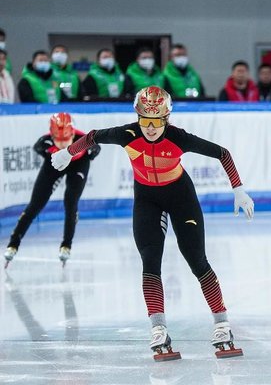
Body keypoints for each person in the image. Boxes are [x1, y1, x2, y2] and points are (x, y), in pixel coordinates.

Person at [51, 86, 254, 360]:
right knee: (150, 261)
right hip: (147, 199)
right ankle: (158, 328)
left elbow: (223, 153)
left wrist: (238, 189)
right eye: (145, 121)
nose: (150, 128)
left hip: (181, 197)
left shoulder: (178, 137)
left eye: (156, 122)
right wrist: (68, 153)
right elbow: (91, 137)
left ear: (166, 119)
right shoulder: (127, 134)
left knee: (196, 260)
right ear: (138, 118)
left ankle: (222, 324)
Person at [4, 113, 101, 268]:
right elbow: (39, 149)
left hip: (78, 164)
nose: (63, 145)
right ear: (52, 135)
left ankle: (66, 245)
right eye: (59, 141)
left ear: (72, 133)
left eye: (66, 141)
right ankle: (13, 244)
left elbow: (95, 150)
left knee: (70, 201)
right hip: (54, 164)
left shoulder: (85, 140)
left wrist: (88, 155)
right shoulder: (44, 142)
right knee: (35, 205)